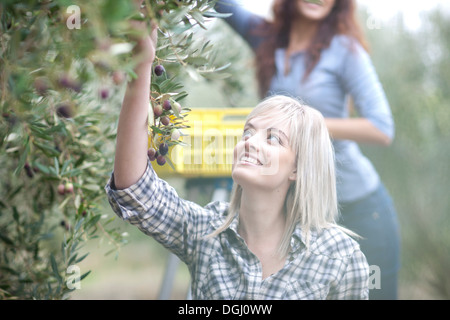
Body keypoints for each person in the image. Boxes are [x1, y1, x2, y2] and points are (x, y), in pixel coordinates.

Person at [105, 15, 369, 299]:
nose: (250, 143)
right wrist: (142, 63)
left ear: (297, 168)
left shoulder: (339, 257)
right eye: (248, 133)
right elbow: (134, 191)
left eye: (272, 138)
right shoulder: (205, 233)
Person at [214, 0, 401, 299]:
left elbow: (381, 127)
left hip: (357, 207)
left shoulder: (345, 50)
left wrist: (305, 127)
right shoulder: (266, 36)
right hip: (295, 212)